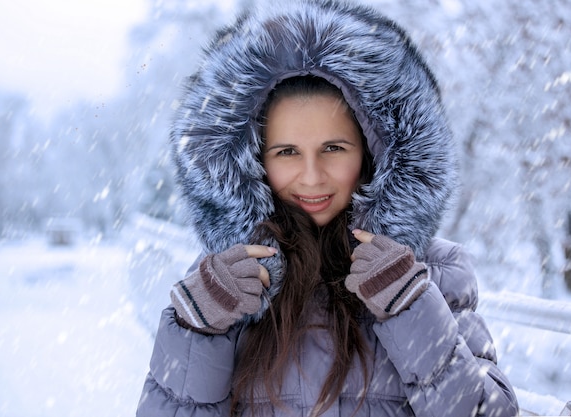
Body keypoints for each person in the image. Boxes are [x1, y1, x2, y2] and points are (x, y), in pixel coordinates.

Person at [137, 0, 519, 416]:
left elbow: (488, 411)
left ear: (373, 154)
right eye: (286, 152)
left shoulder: (431, 271)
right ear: (254, 162)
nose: (312, 176)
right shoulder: (227, 281)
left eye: (333, 148)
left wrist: (410, 308)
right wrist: (199, 329)